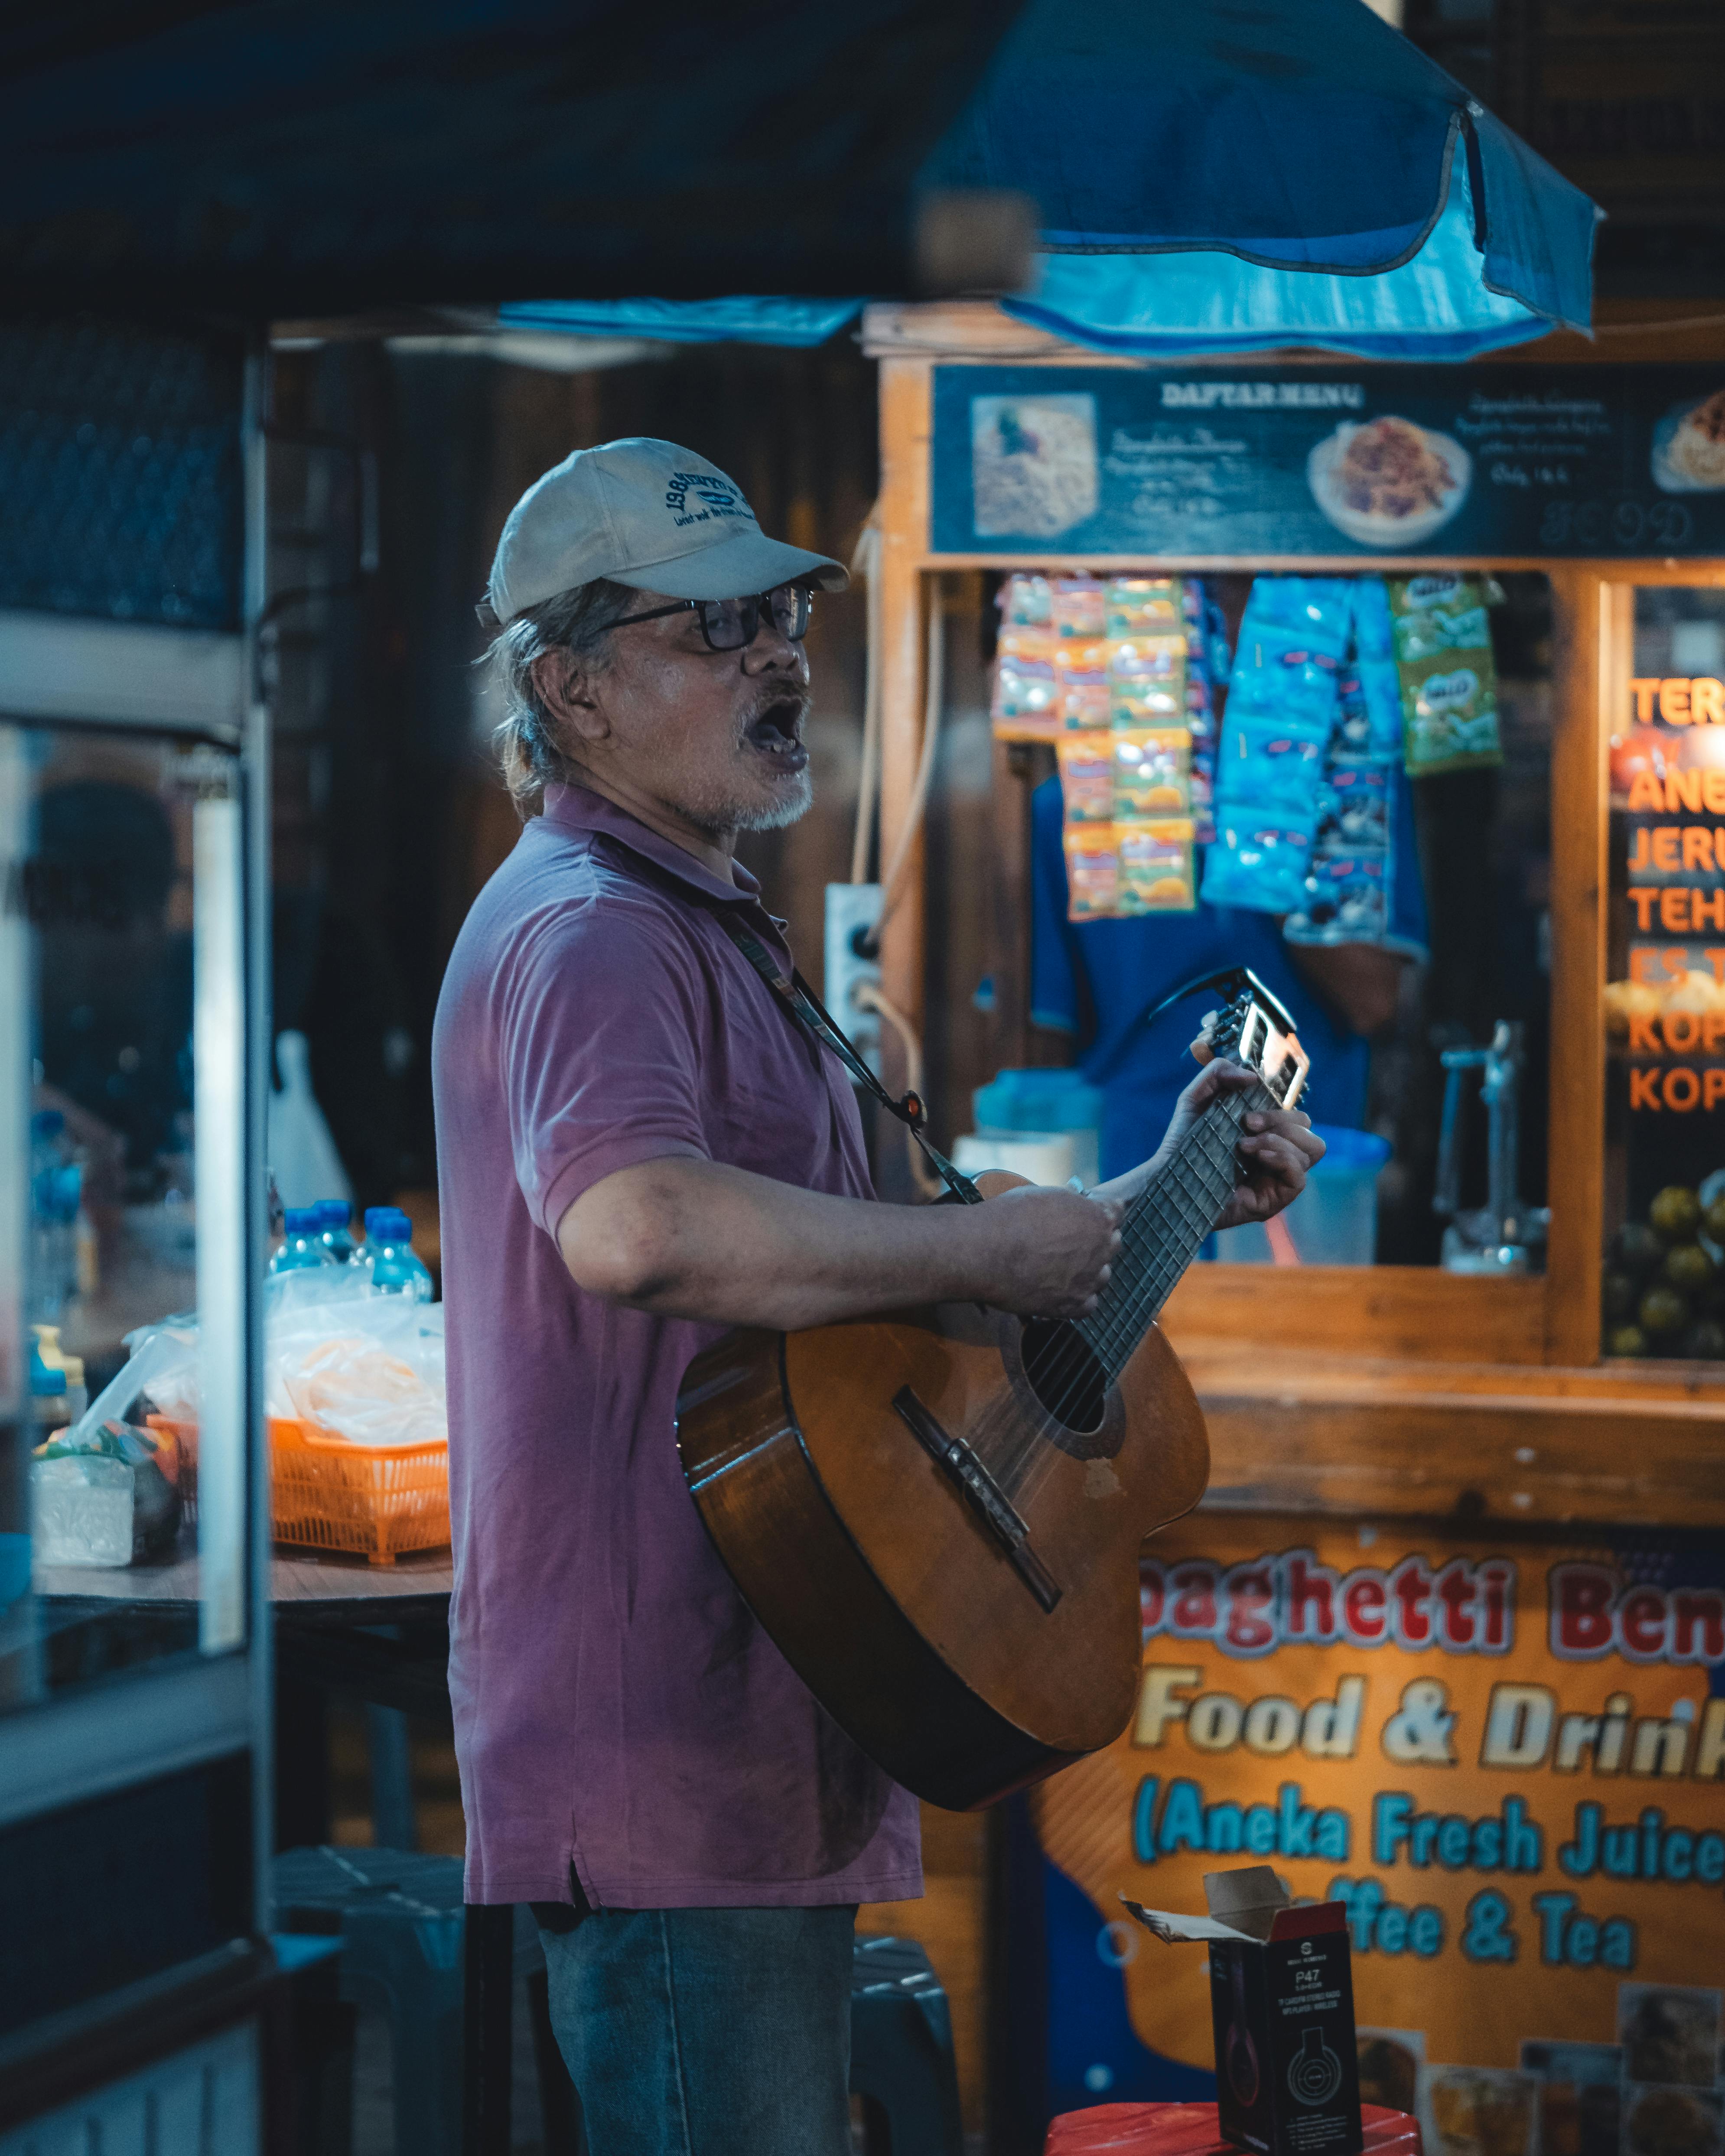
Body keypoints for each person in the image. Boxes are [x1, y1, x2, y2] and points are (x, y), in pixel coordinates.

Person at [432, 437, 1324, 2156]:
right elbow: (630, 1224)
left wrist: (1155, 1198)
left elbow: (879, 1284)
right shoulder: (592, 928)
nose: (775, 655)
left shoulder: (707, 926)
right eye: (709, 630)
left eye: (777, 618)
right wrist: (988, 1245)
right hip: (660, 1743)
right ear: (570, 684)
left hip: (768, 1699)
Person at [1030, 763, 1428, 1184]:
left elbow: (1372, 1000)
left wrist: (1262, 843)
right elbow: (1040, 1051)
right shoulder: (1072, 803)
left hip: (1295, 1163)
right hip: (1132, 1163)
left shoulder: (1350, 780)